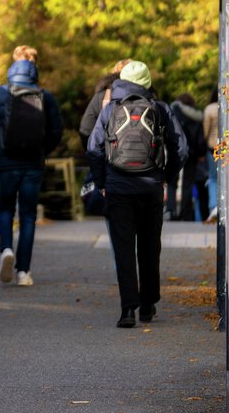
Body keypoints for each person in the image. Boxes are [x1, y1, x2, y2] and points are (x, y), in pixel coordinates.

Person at [87, 60, 187, 328]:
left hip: (118, 189)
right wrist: (165, 177)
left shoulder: (110, 110)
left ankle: (127, 309)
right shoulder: (160, 108)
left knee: (124, 249)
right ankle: (148, 304)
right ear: (147, 81)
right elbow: (181, 148)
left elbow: (93, 148)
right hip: (151, 188)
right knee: (149, 247)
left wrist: (102, 181)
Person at [0, 45, 63, 287]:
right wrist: (42, 152)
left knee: (5, 210)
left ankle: (6, 249)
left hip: (7, 164)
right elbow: (56, 132)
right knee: (28, 216)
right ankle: (23, 272)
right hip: (33, 165)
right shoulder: (45, 97)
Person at [171, 93, 209, 221]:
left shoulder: (173, 112)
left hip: (175, 150)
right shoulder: (196, 116)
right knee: (188, 184)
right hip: (192, 154)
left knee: (172, 182)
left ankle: (171, 212)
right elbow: (200, 138)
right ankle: (186, 214)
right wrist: (201, 153)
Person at [202, 88, 219, 220]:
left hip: (211, 147)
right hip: (227, 147)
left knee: (213, 178)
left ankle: (213, 206)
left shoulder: (209, 109)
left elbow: (205, 131)